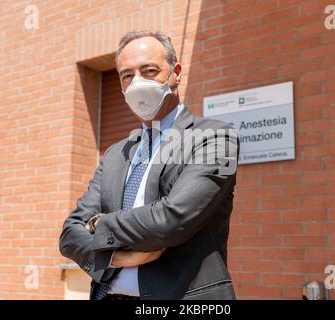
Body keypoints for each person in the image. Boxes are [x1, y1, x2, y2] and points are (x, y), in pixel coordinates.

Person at [59, 30, 238, 300]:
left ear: (175, 73)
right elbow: (69, 234)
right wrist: (115, 259)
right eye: (127, 75)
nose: (137, 83)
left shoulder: (216, 139)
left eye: (149, 70)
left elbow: (173, 219)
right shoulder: (115, 154)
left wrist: (100, 224)